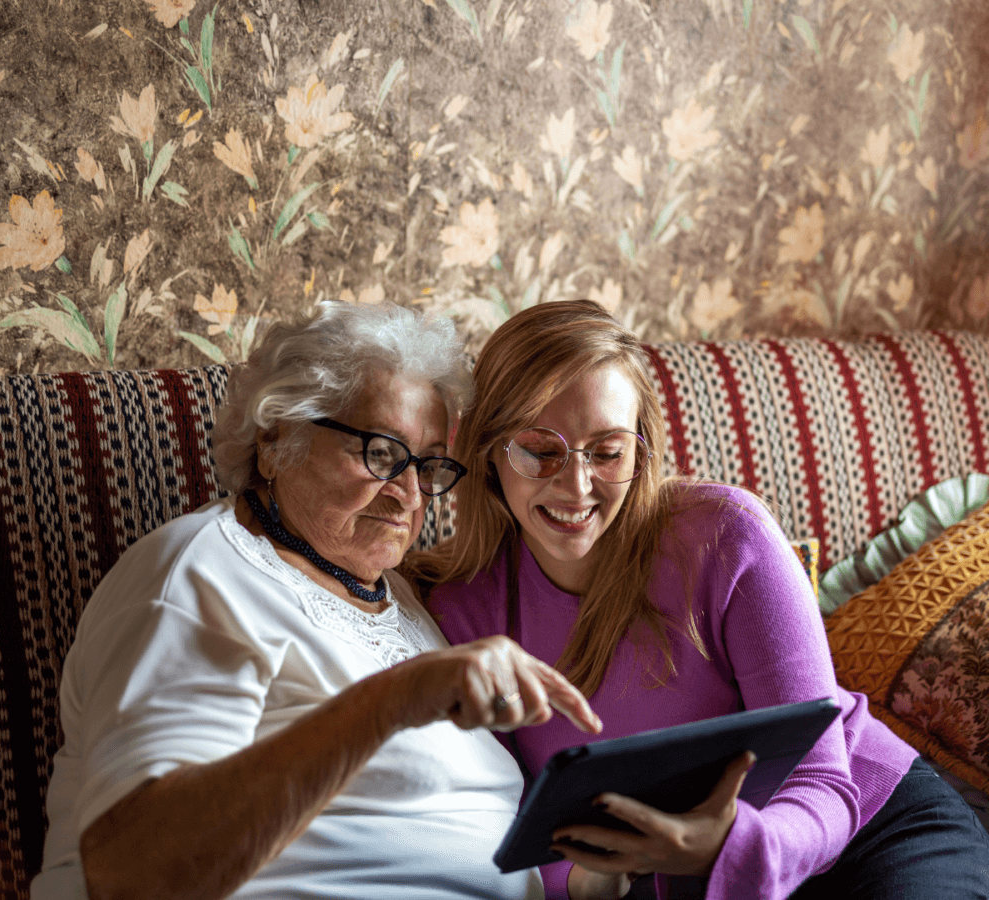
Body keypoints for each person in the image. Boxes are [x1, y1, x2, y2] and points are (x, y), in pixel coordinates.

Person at [409, 299, 989, 900]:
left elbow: (821, 775)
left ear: (640, 449)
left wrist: (733, 847)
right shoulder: (463, 611)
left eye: (607, 452)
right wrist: (583, 879)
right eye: (540, 450)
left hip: (870, 825)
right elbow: (504, 818)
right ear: (488, 452)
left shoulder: (725, 537)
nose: (576, 486)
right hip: (671, 879)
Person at [30, 301, 605, 900]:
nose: (410, 495)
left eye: (429, 465)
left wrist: (603, 872)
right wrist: (391, 702)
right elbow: (130, 873)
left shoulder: (402, 600)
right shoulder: (202, 573)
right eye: (381, 454)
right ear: (277, 438)